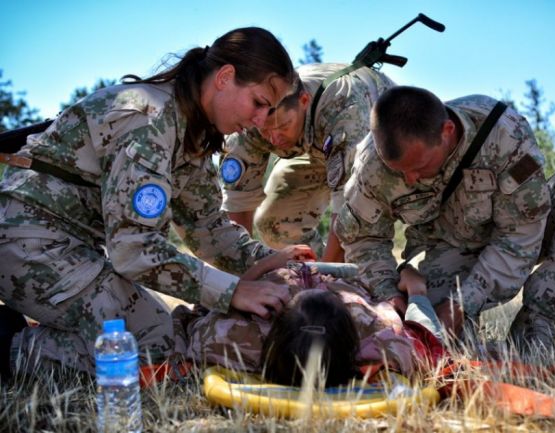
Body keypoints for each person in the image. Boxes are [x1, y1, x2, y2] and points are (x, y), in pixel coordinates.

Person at [0, 27, 315, 376]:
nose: (260, 120)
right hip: (27, 238)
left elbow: (208, 230)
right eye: (258, 103)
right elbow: (134, 249)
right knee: (141, 347)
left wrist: (272, 261)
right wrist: (232, 291)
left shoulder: (192, 131)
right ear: (225, 77)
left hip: (68, 245)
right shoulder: (150, 121)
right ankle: (8, 345)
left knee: (158, 334)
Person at [334, 86, 555, 356]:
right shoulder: (372, 165)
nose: (410, 178)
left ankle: (535, 324)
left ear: (447, 131)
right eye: (399, 171)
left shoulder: (503, 134)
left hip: (519, 228)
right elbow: (363, 238)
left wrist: (462, 303)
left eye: (420, 166)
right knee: (437, 346)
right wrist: (389, 295)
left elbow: (520, 233)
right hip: (448, 249)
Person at [220, 63, 395, 261]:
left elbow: (349, 210)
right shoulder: (251, 119)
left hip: (379, 141)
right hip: (314, 145)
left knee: (360, 239)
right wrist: (243, 275)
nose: (274, 139)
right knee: (274, 224)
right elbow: (237, 204)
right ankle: (312, 277)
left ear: (304, 101)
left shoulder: (346, 112)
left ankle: (364, 279)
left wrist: (329, 278)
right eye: (266, 132)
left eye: (283, 126)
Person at [172, 263, 447, 385]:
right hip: (348, 278)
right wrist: (416, 293)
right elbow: (428, 339)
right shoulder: (377, 333)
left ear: (275, 326)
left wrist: (268, 263)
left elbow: (208, 305)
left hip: (273, 272)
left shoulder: (226, 340)